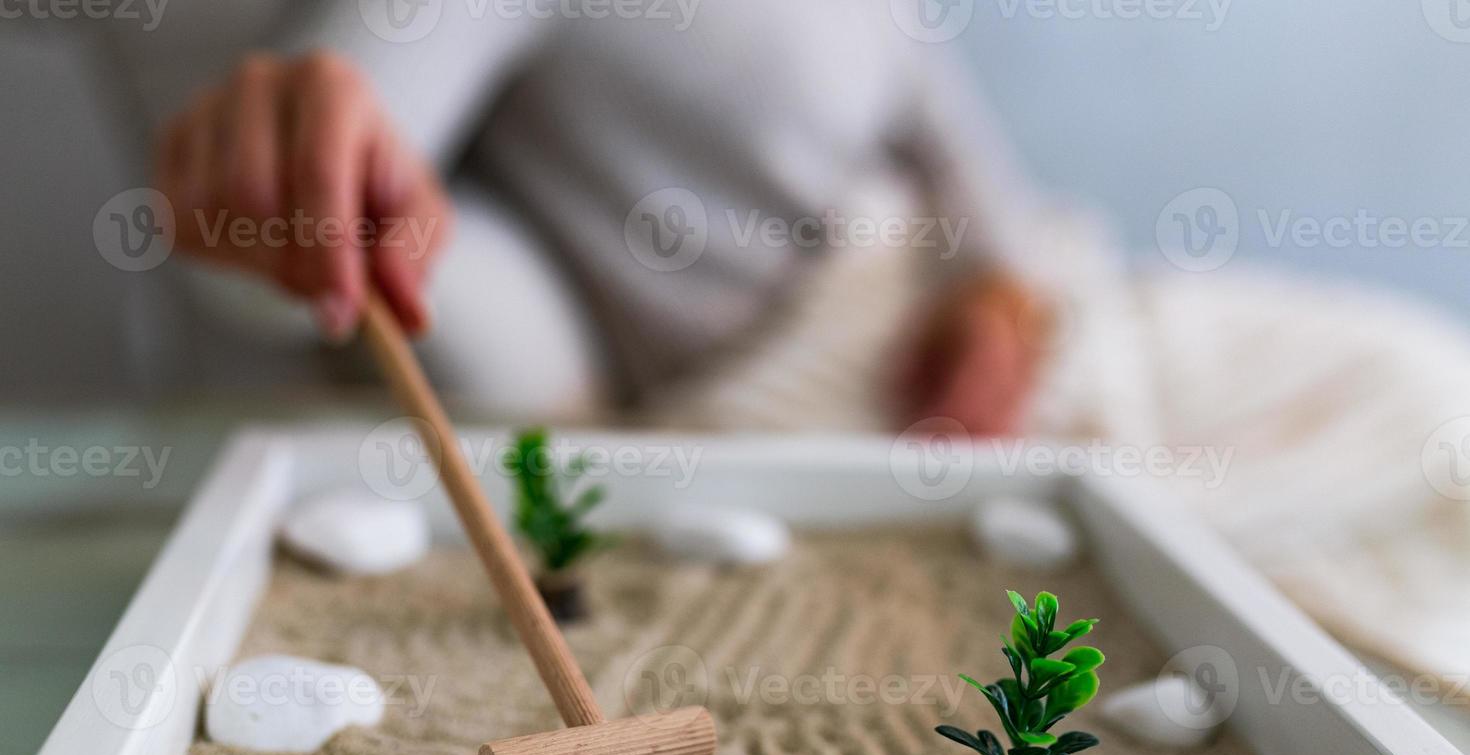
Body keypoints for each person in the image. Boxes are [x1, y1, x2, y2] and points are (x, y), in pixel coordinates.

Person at [152, 2, 1051, 433]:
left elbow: (963, 163)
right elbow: (315, 182)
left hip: (921, 319)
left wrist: (996, 301)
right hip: (768, 383)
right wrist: (261, 170)